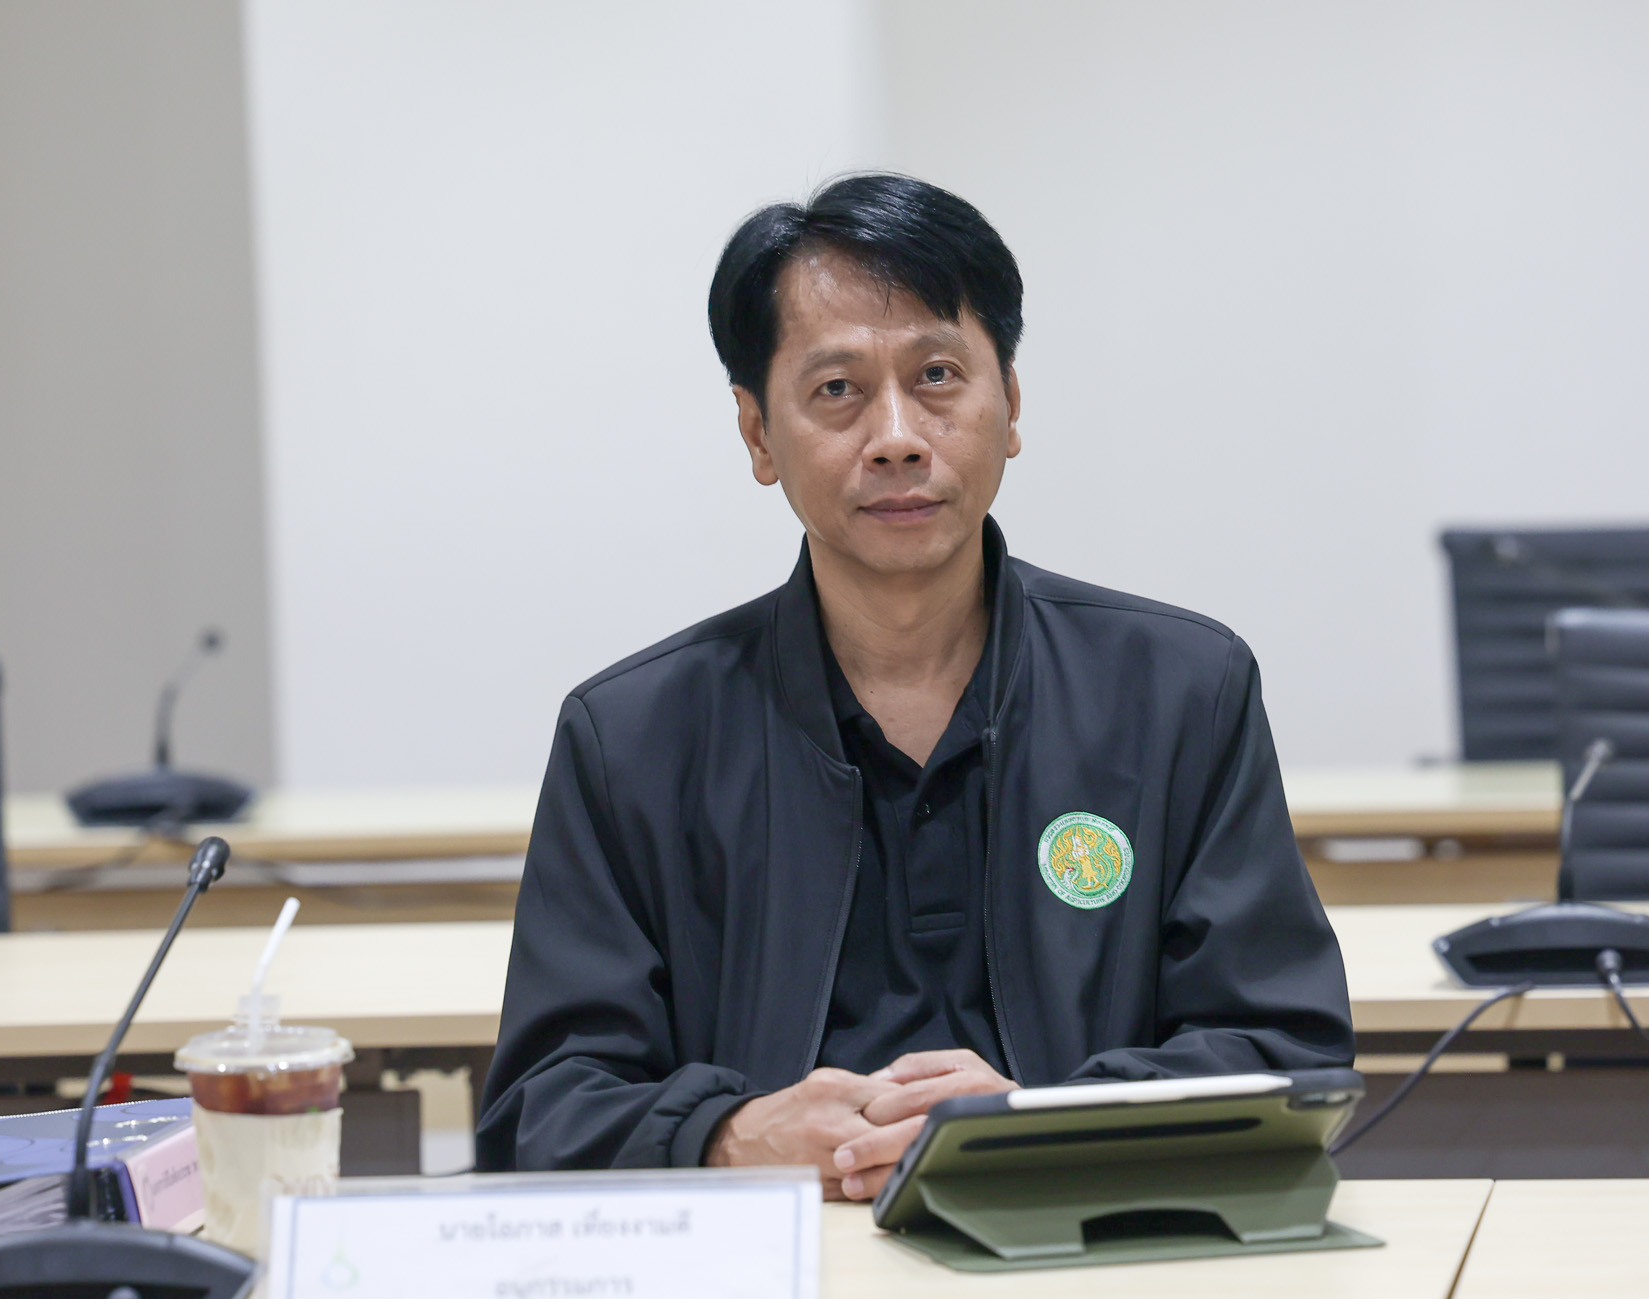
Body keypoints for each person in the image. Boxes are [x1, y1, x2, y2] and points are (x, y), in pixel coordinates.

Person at [475, 173, 1352, 1202]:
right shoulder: (630, 738)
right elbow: (541, 1109)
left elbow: (1285, 1055)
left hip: (1078, 1245)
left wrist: (1043, 1124)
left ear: (1009, 404)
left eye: (937, 375)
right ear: (757, 434)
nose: (895, 434)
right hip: (773, 1265)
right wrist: (730, 1136)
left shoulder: (1178, 693)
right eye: (836, 390)